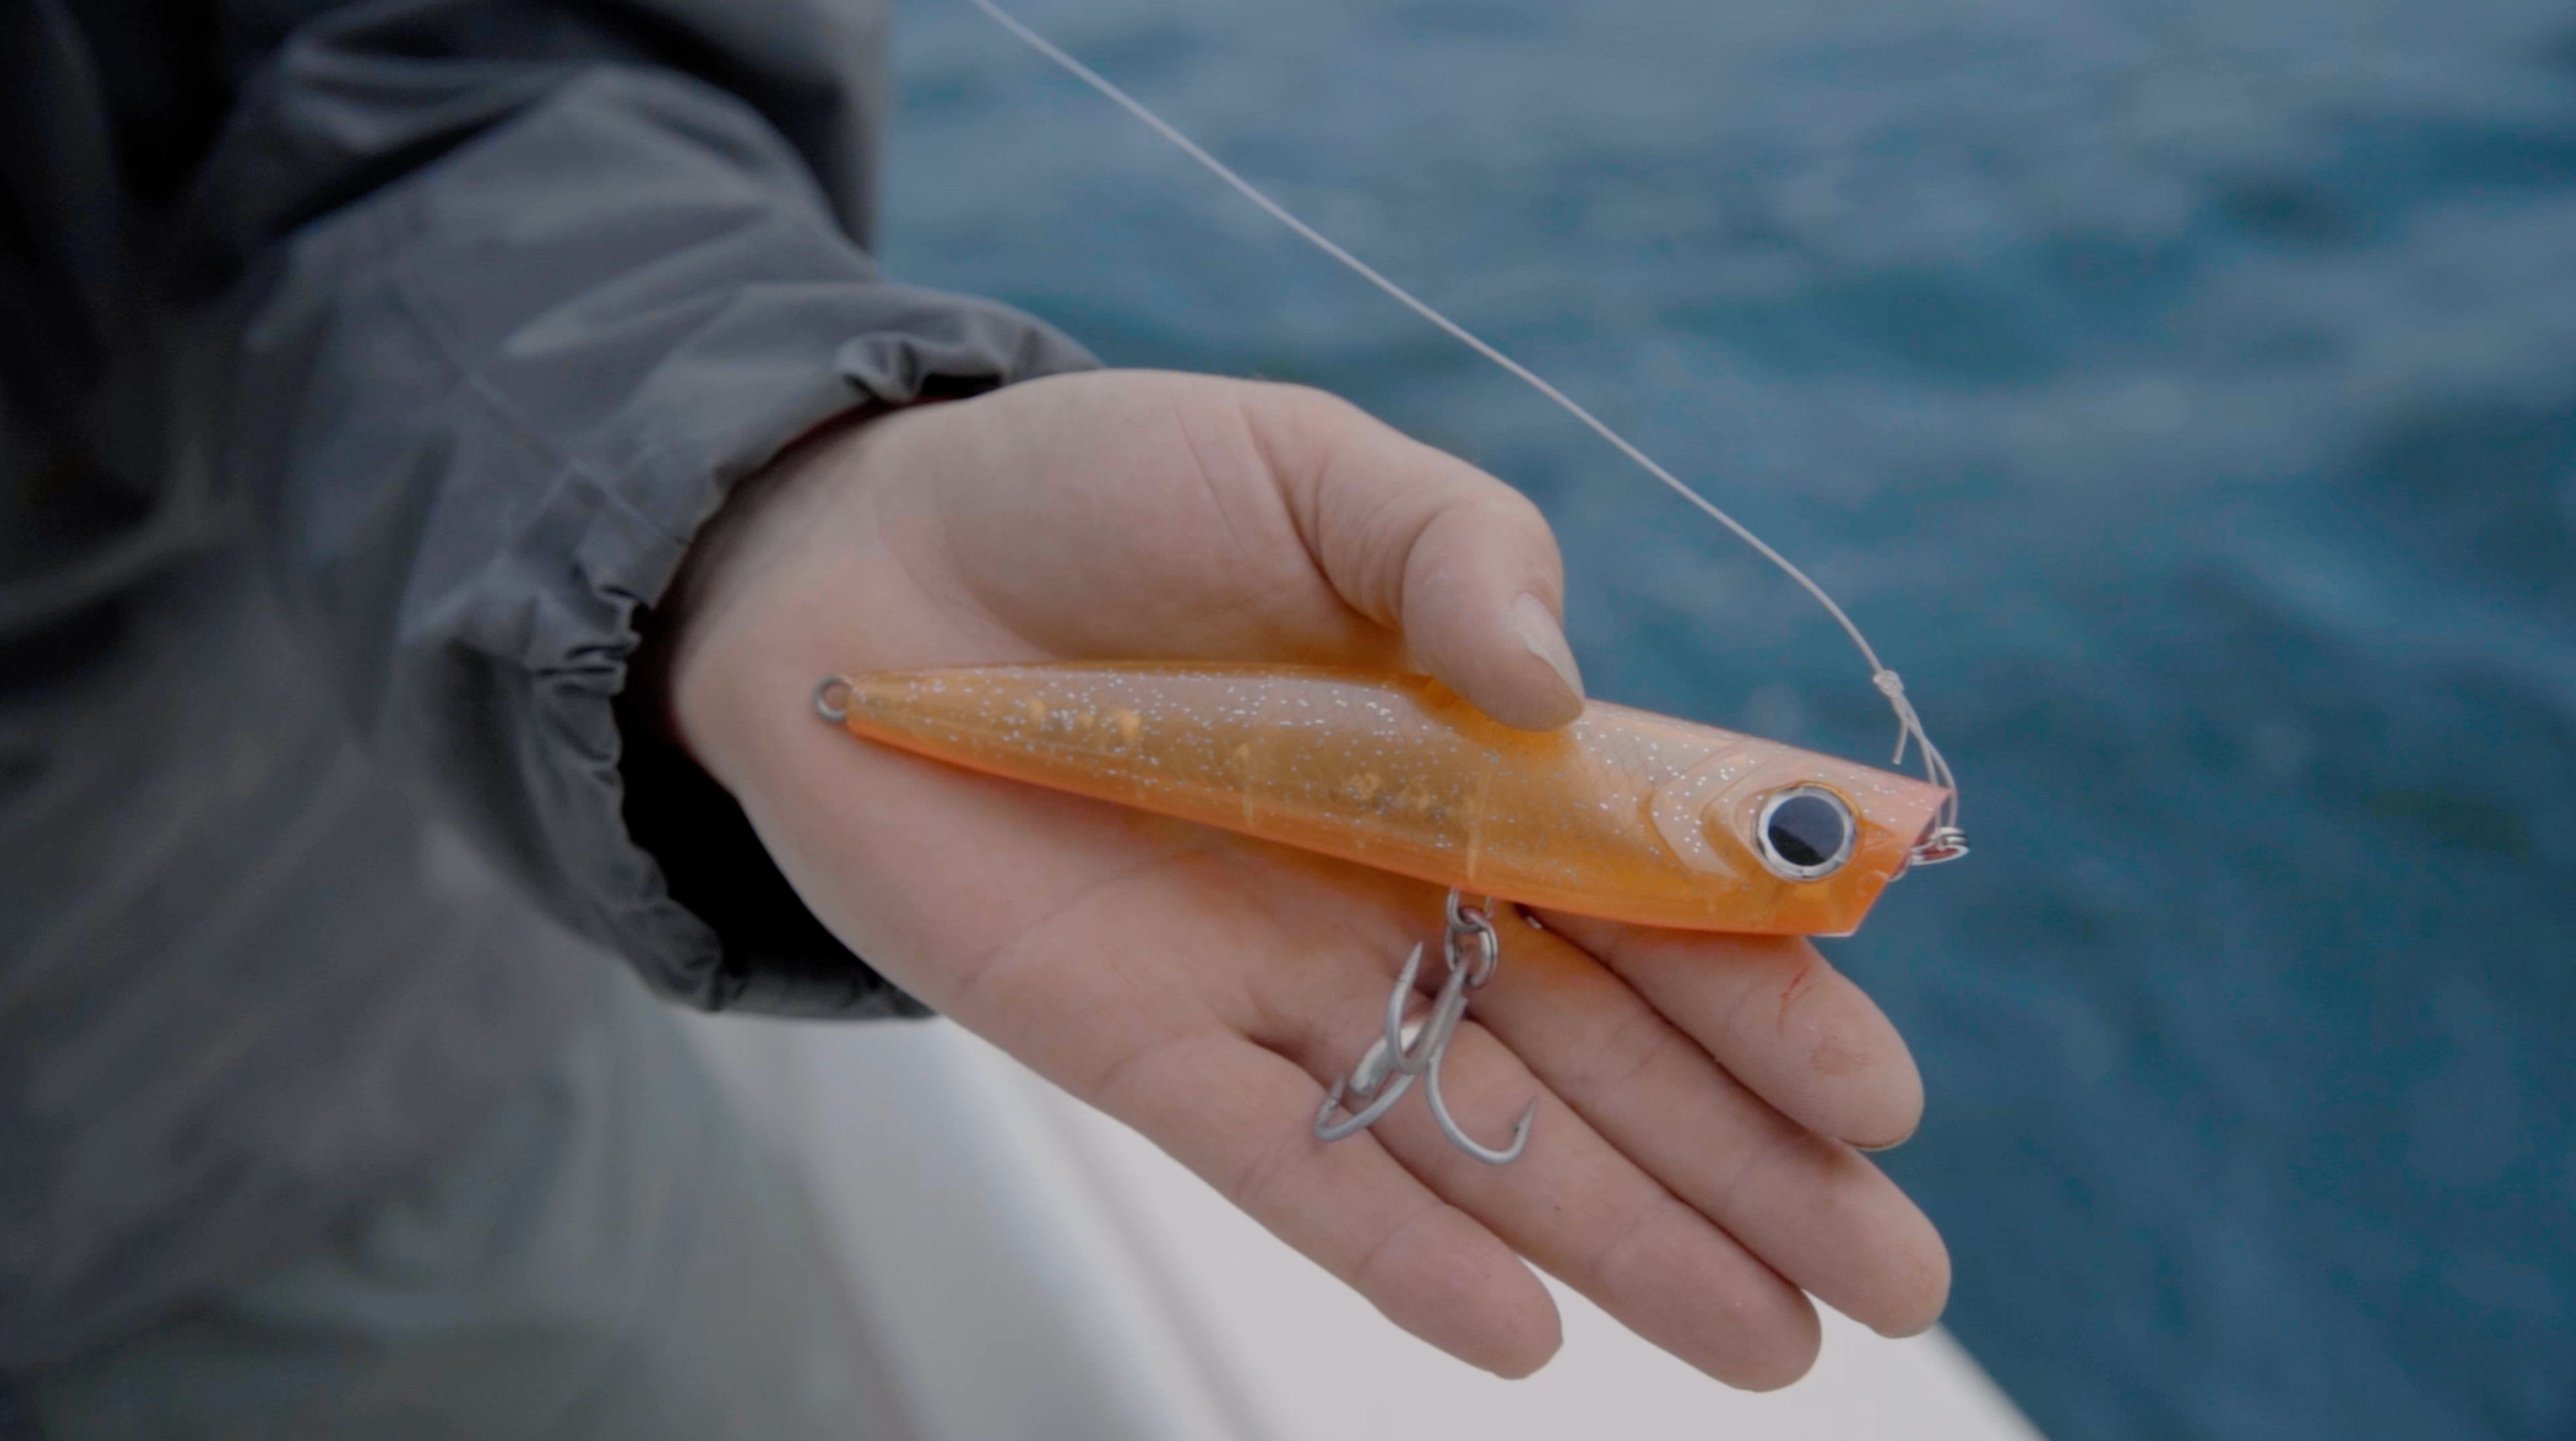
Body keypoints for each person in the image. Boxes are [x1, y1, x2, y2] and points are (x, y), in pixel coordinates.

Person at [0, 0, 1951, 1433]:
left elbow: (432, 77)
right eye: (1793, 830)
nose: (1815, 835)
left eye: (1789, 827)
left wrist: (748, 512)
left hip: (225, 1095)